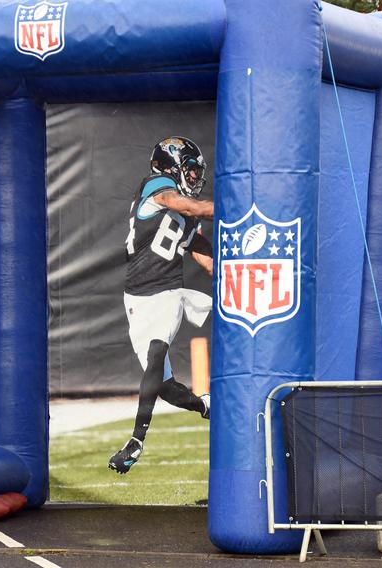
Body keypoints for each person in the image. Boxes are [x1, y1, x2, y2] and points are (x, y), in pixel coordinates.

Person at [109, 136, 215, 475]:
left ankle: (136, 440)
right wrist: (237, 203)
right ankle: (204, 406)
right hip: (136, 297)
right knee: (162, 383)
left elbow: (204, 255)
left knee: (156, 354)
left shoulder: (185, 211)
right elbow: (187, 207)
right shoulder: (158, 187)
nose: (196, 177)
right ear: (172, 166)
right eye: (192, 170)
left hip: (168, 292)